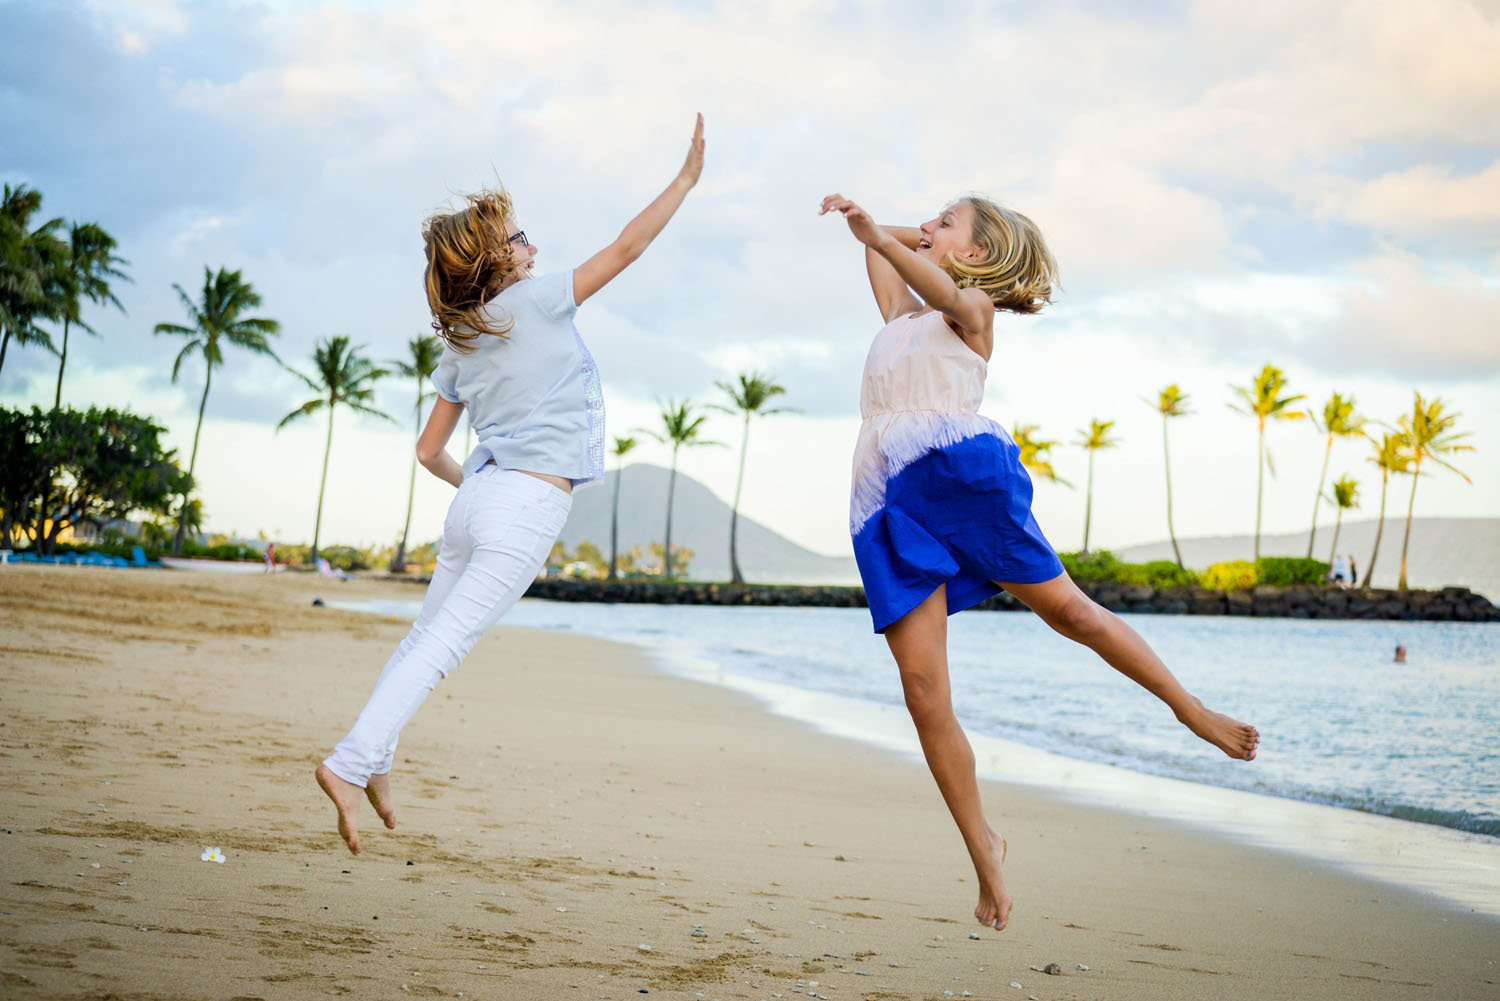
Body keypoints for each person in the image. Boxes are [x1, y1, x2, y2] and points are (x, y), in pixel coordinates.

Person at [819, 192, 1259, 932]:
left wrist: (901, 240)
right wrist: (889, 230)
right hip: (888, 493)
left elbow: (928, 275)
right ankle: (983, 846)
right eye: (925, 222)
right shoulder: (900, 317)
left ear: (980, 257)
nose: (923, 228)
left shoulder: (972, 313)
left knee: (1072, 612)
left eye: (944, 223)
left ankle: (1193, 710)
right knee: (924, 692)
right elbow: (881, 251)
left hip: (960, 474)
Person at [316, 115, 706, 855]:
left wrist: (479, 494)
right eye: (520, 238)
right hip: (521, 501)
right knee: (440, 648)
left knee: (422, 639)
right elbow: (629, 246)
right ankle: (346, 762)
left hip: (478, 498)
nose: (533, 244)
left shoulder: (465, 336)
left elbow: (430, 450)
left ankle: (376, 762)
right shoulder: (539, 299)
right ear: (499, 263)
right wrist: (684, 179)